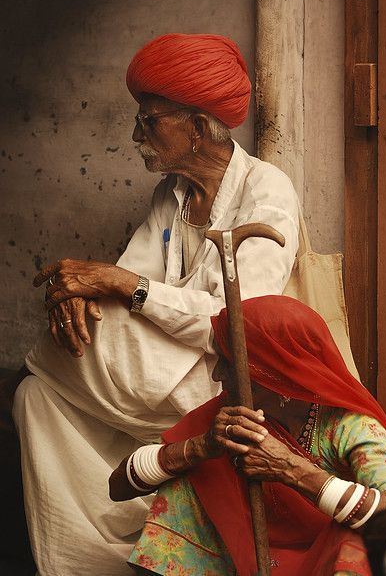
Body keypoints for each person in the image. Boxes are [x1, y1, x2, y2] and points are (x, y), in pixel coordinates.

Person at [11, 34, 300, 576]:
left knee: (98, 327)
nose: (136, 134)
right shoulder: (171, 194)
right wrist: (83, 293)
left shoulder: (268, 191)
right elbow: (128, 281)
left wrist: (120, 286)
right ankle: (89, 563)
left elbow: (239, 320)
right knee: (34, 400)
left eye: (150, 120)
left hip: (221, 379)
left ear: (197, 124)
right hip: (156, 372)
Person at [109, 295, 386, 576]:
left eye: (227, 364)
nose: (217, 374)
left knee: (359, 534)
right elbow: (118, 485)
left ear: (272, 375)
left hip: (325, 558)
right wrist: (200, 447)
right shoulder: (226, 417)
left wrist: (291, 469)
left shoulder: (348, 427)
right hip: (244, 556)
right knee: (184, 484)